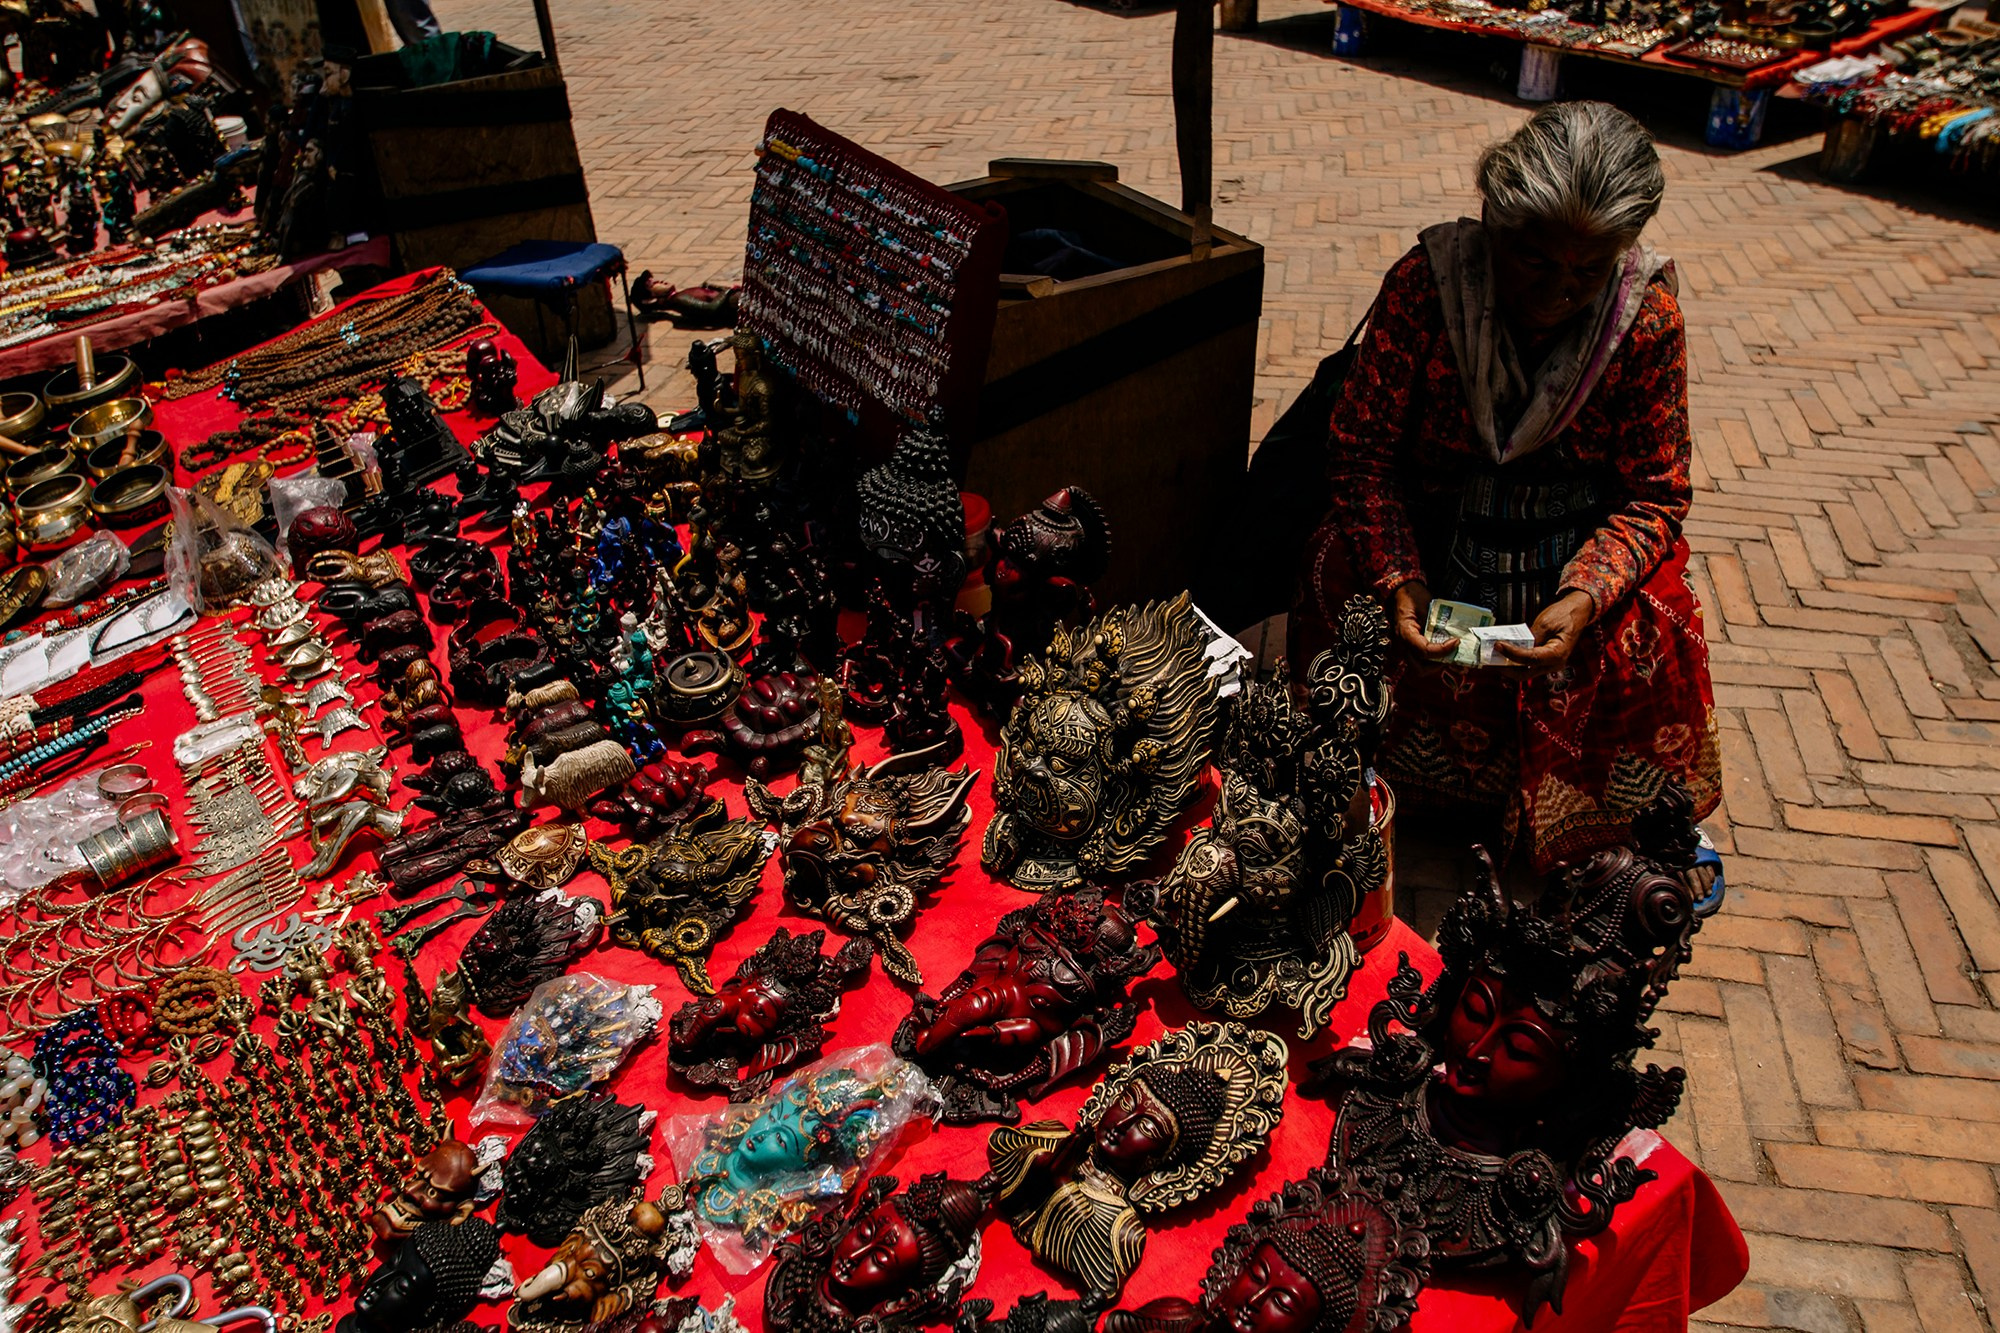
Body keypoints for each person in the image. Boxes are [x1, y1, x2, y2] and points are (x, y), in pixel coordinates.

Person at [1288, 101, 1720, 873]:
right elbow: (1362, 453)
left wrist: (1586, 593)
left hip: (1570, 535)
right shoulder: (1427, 286)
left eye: (1589, 270)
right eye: (1534, 260)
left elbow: (1656, 492)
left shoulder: (1646, 320)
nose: (1558, 292)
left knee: (1652, 624)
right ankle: (1367, 786)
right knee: (1336, 576)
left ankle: (1584, 810)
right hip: (1432, 519)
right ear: (1494, 220)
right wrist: (1399, 577)